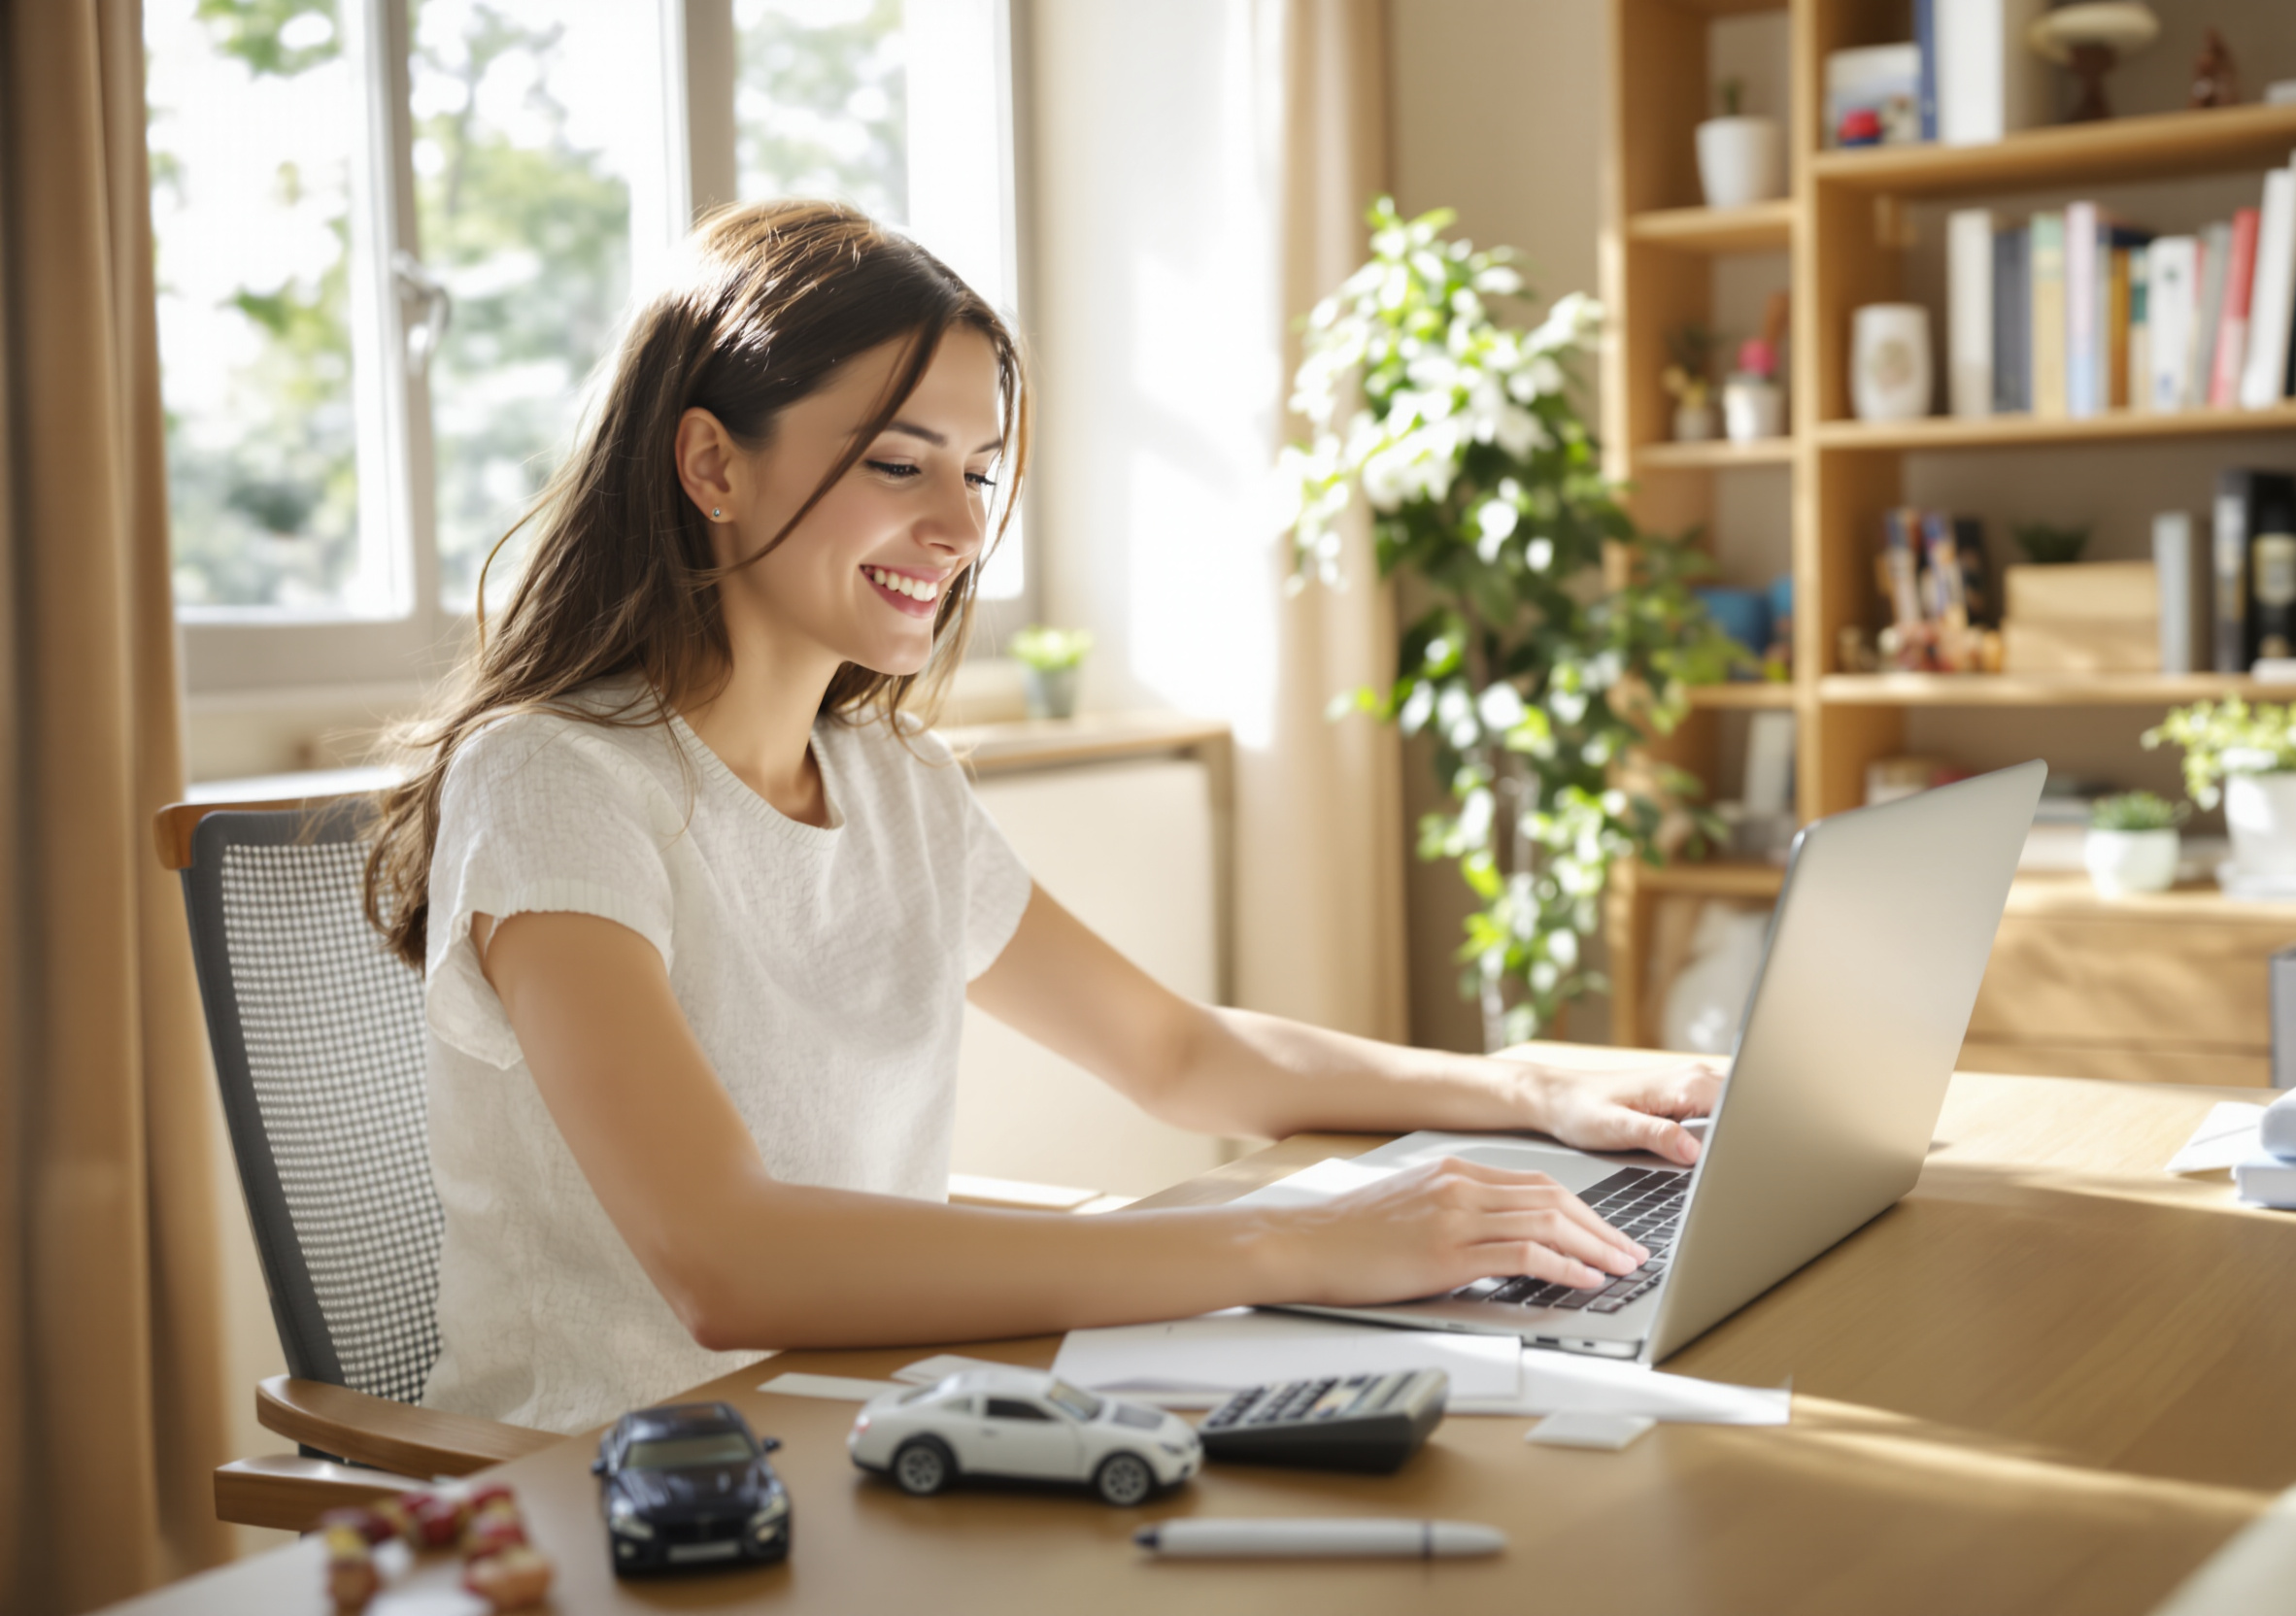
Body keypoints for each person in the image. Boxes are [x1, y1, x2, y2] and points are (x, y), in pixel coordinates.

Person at [365, 200, 1718, 1435]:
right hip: (629, 1492)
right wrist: (1293, 1242)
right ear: (712, 464)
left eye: (982, 472)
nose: (960, 527)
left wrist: (1528, 1089)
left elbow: (1180, 1055)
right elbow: (729, 1262)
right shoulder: (553, 785)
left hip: (881, 1433)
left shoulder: (896, 788)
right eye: (901, 466)